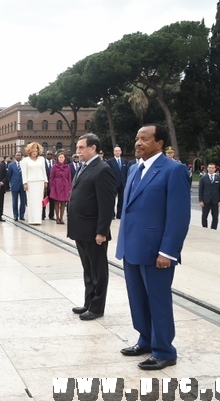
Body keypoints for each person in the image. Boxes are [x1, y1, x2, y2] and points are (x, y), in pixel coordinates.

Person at [115, 123, 191, 371]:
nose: (138, 143)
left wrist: (168, 251)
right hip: (132, 248)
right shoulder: (135, 169)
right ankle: (145, 340)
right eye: (137, 138)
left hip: (156, 251)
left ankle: (164, 350)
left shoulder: (173, 170)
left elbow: (178, 216)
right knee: (137, 299)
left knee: (158, 301)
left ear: (159, 143)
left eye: (144, 139)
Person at [67, 134, 115, 321]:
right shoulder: (84, 167)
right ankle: (88, 302)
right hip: (81, 228)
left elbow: (106, 204)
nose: (77, 151)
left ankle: (97, 307)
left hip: (94, 230)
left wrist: (102, 231)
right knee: (88, 269)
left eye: (81, 148)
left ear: (93, 148)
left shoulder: (102, 169)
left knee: (98, 270)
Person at [21, 142, 48, 225]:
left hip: (40, 181)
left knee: (39, 201)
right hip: (30, 182)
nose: (35, 152)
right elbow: (24, 172)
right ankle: (32, 219)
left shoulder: (42, 159)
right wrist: (25, 183)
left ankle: (38, 219)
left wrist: (45, 181)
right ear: (29, 151)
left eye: (36, 150)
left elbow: (44, 170)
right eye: (33, 150)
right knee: (31, 200)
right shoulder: (25, 160)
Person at [49, 150, 72, 224]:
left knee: (63, 202)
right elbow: (51, 177)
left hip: (65, 185)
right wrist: (51, 186)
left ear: (64, 158)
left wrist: (69, 187)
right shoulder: (54, 166)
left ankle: (61, 218)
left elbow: (69, 177)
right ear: (57, 158)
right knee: (56, 202)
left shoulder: (67, 167)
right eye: (60, 157)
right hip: (56, 185)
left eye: (62, 157)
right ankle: (57, 218)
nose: (61, 158)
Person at [198, 163, 220, 229]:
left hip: (215, 200)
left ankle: (213, 229)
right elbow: (200, 190)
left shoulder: (219, 178)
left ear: (215, 169)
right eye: (210, 168)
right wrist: (200, 200)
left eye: (212, 168)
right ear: (207, 168)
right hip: (206, 200)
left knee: (215, 216)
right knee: (204, 216)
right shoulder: (203, 178)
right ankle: (204, 228)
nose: (211, 169)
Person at [107, 146, 128, 219]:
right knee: (112, 199)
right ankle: (111, 214)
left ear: (121, 152)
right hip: (114, 183)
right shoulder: (110, 161)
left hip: (123, 183)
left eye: (119, 151)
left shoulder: (124, 161)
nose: (117, 152)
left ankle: (120, 214)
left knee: (121, 199)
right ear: (113, 152)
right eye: (116, 151)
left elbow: (126, 172)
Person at [7, 152, 26, 221]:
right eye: (17, 155)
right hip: (14, 185)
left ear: (21, 157)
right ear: (15, 156)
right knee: (15, 201)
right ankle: (15, 215)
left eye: (19, 155)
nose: (18, 157)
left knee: (23, 201)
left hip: (23, 185)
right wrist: (12, 183)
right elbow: (9, 175)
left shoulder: (24, 165)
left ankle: (22, 215)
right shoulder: (11, 165)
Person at [43, 150, 56, 220]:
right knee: (44, 200)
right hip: (44, 185)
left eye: (51, 154)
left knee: (52, 201)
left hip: (52, 185)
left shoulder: (55, 162)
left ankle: (51, 215)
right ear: (46, 155)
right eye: (48, 154)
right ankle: (43, 215)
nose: (49, 155)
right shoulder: (42, 163)